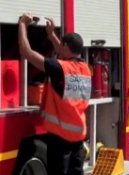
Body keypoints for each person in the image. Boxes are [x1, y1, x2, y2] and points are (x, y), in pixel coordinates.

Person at [17, 13, 91, 174]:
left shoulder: (60, 69)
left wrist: (22, 25)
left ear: (65, 46)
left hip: (61, 139)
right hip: (78, 135)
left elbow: (27, 52)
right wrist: (51, 35)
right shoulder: (85, 69)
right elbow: (65, 52)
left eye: (62, 45)